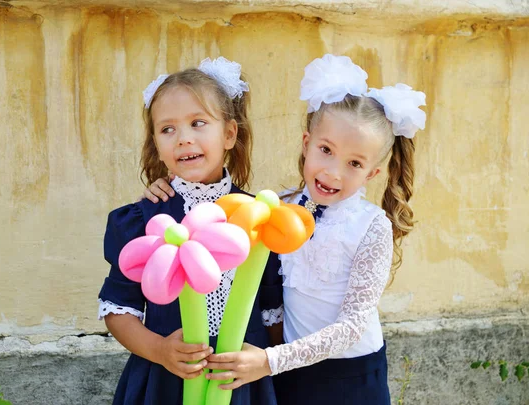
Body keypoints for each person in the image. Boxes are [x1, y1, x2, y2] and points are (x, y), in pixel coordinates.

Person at [144, 54, 426, 404]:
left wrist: (269, 360)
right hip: (285, 373)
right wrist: (164, 187)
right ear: (306, 143)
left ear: (371, 174)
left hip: (349, 375)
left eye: (354, 163)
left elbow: (352, 327)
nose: (333, 172)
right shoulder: (275, 206)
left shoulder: (372, 227)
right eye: (326, 150)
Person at [98, 57, 279, 405]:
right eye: (167, 129)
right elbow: (117, 308)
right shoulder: (144, 220)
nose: (183, 139)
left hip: (242, 383)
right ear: (156, 142)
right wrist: (161, 350)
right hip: (164, 382)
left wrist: (267, 366)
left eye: (198, 123)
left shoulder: (261, 216)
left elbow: (274, 311)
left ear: (229, 133)